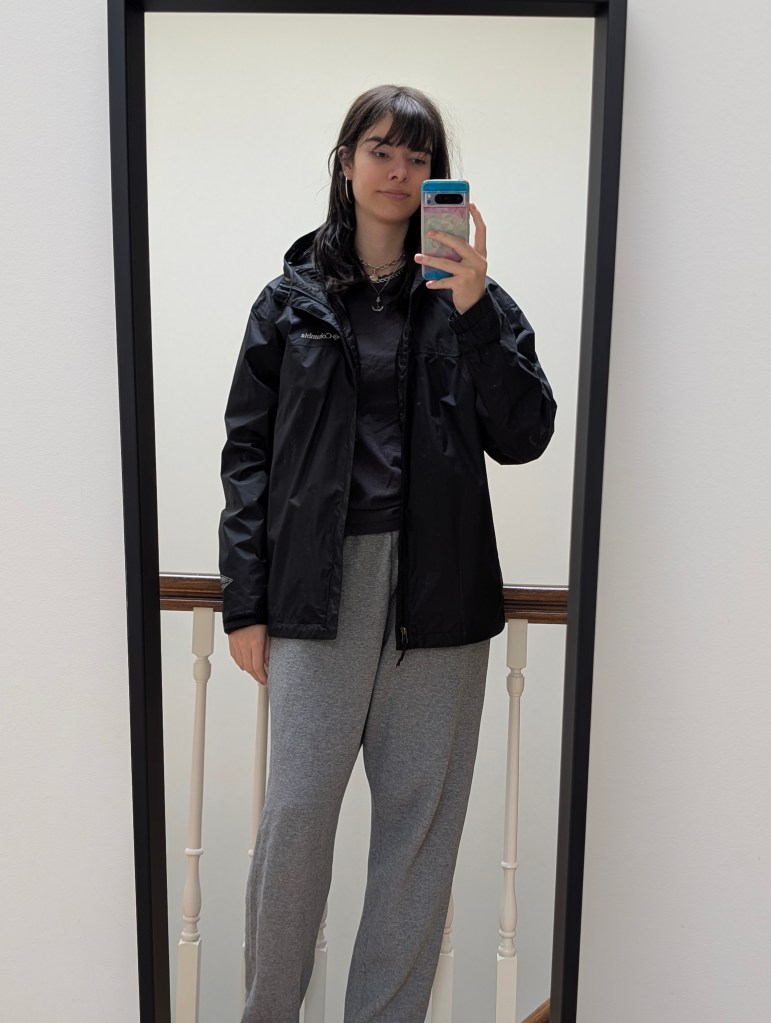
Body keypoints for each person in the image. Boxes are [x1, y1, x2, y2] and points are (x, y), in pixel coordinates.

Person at [218, 83, 557, 1023]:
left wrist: (475, 310)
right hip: (318, 590)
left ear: (436, 175)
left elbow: (524, 432)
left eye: (418, 156)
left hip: (440, 595)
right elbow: (247, 457)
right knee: (295, 819)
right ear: (346, 162)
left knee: (416, 836)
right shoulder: (286, 302)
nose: (398, 171)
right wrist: (245, 601)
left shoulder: (470, 298)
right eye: (381, 150)